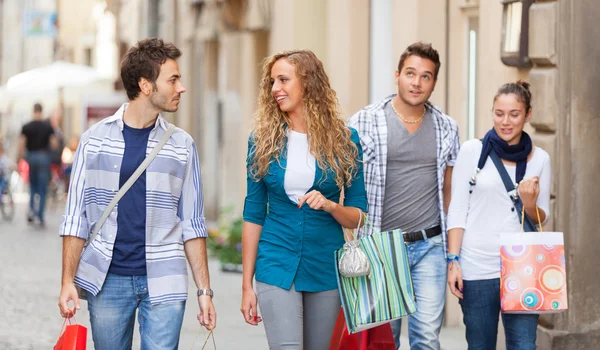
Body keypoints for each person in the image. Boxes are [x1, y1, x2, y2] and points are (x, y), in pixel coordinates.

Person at [57, 38, 216, 349]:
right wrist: (67, 282)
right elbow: (76, 217)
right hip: (107, 279)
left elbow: (193, 223)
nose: (181, 87)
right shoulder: (94, 141)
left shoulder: (182, 146)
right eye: (173, 79)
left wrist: (204, 292)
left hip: (165, 278)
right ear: (146, 85)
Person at [240, 49, 368, 350]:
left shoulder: (346, 141)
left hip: (325, 265)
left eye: (283, 80)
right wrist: (247, 284)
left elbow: (359, 216)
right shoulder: (261, 141)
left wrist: (331, 205)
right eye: (272, 82)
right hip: (276, 260)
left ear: (308, 83)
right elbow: (254, 212)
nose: (275, 89)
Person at [348, 42, 460, 350]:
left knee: (427, 337)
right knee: (385, 341)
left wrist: (453, 253)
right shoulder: (364, 122)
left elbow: (449, 192)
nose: (417, 82)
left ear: (434, 82)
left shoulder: (447, 128)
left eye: (426, 76)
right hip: (382, 247)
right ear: (397, 75)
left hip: (430, 246)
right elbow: (345, 183)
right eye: (410, 73)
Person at [446, 81, 550, 349]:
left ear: (527, 114)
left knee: (524, 345)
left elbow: (541, 218)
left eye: (514, 114)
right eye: (498, 113)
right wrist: (454, 260)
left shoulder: (540, 159)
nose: (505, 122)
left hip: (522, 265)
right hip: (476, 266)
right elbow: (458, 209)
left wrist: (529, 203)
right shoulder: (472, 151)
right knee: (480, 345)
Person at [19, 103, 58, 226]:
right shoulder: (47, 126)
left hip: (31, 156)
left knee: (33, 186)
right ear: (42, 111)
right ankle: (40, 215)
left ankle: (31, 212)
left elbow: (22, 145)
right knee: (43, 188)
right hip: (43, 156)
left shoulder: (26, 126)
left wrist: (19, 158)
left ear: (33, 111)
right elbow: (54, 144)